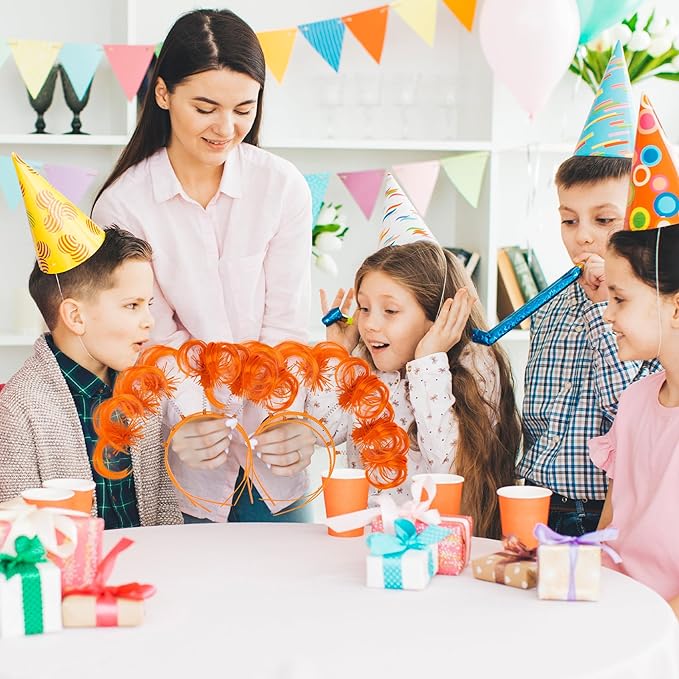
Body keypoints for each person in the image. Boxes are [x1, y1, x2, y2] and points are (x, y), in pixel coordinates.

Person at [91, 9, 315, 522]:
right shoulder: (123, 206)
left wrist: (287, 416)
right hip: (187, 457)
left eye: (244, 109)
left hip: (276, 449)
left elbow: (285, 321)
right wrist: (192, 418)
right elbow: (151, 336)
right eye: (206, 107)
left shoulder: (281, 187)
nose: (227, 128)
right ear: (164, 94)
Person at [309, 177, 521, 538]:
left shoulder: (474, 367)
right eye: (363, 308)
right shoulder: (364, 368)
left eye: (390, 311)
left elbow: (448, 466)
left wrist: (427, 364)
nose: (370, 325)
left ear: (437, 315)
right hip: (367, 542)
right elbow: (320, 432)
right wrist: (335, 357)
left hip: (437, 545)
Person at [517, 44, 658, 535]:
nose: (582, 235)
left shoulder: (653, 310)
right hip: (533, 495)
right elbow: (536, 411)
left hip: (600, 510)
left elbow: (630, 414)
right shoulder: (552, 302)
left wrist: (605, 307)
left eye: (603, 219)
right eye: (568, 219)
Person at [0, 155, 181, 528]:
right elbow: (16, 535)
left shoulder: (143, 393)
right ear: (76, 316)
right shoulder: (20, 408)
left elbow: (164, 508)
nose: (148, 320)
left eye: (147, 304)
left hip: (153, 576)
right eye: (131, 306)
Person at [590, 95, 679, 617]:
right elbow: (610, 529)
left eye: (620, 299)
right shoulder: (636, 401)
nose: (609, 313)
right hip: (615, 616)